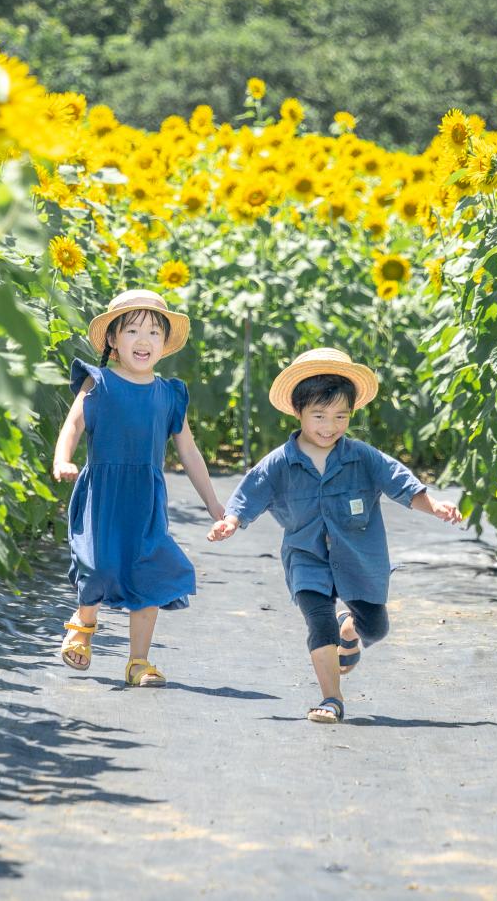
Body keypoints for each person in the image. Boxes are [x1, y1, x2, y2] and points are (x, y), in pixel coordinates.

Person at [207, 347, 464, 723]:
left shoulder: (362, 457)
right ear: (298, 413)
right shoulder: (281, 461)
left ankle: (351, 629)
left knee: (376, 625)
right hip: (305, 557)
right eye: (319, 416)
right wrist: (230, 521)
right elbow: (251, 492)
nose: (329, 426)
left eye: (340, 416)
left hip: (360, 558)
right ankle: (331, 699)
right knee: (319, 622)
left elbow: (401, 483)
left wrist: (436, 505)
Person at [52, 289, 227, 687]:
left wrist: (213, 503)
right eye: (131, 331)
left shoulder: (168, 394)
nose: (143, 340)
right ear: (113, 340)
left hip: (146, 500)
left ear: (165, 342)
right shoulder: (98, 383)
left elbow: (190, 451)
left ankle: (138, 661)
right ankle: (84, 621)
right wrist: (63, 459)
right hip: (104, 496)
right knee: (97, 565)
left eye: (153, 332)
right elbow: (73, 425)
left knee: (148, 573)